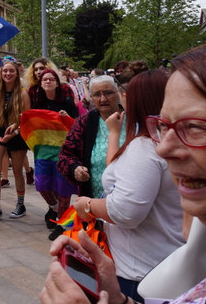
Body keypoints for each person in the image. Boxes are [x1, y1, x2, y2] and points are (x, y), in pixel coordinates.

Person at [41, 39, 206, 304]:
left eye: (194, 126)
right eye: (163, 125)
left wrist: (87, 205)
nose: (164, 149)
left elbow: (127, 209)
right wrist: (118, 300)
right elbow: (75, 158)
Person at [68, 69, 183, 301]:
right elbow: (120, 173)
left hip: (141, 270)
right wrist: (114, 134)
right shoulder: (169, 138)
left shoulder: (145, 147)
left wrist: (87, 205)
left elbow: (125, 211)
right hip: (165, 257)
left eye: (122, 92)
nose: (120, 96)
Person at [28, 68, 79, 239]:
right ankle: (57, 210)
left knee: (63, 190)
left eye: (51, 79)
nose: (48, 82)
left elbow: (77, 126)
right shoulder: (38, 104)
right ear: (40, 84)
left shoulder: (67, 103)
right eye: (44, 80)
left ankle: (63, 225)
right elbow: (30, 123)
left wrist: (67, 118)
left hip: (63, 152)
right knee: (42, 186)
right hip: (43, 151)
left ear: (57, 83)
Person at [57, 75, 125, 199]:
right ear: (92, 97)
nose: (103, 99)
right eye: (97, 94)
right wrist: (75, 168)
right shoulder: (85, 122)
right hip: (95, 199)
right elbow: (66, 155)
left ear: (118, 94)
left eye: (108, 93)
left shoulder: (132, 120)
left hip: (129, 196)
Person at [0, 59, 31, 222]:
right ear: (1, 74)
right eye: (5, 71)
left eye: (11, 71)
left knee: (18, 171)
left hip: (17, 133)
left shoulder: (23, 93)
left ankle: (20, 204)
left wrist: (15, 128)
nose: (8, 74)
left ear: (17, 73)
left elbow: (27, 117)